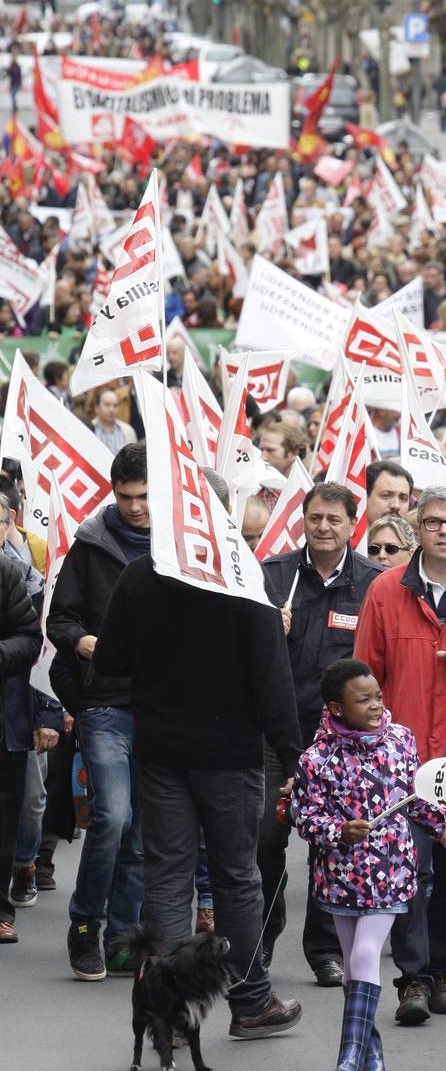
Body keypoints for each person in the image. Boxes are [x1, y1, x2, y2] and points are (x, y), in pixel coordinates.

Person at [92, 468, 303, 1038]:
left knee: (168, 876)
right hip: (230, 756)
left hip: (161, 749)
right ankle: (251, 1001)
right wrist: (294, 755)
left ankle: (165, 1007)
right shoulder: (242, 577)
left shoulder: (142, 576)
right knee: (236, 875)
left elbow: (108, 661)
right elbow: (272, 680)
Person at [355, 485, 446, 1023]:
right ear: (419, 529)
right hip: (403, 764)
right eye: (434, 521)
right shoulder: (387, 590)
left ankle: (444, 972)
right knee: (409, 873)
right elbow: (363, 678)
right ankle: (412, 978)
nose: (444, 530)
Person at [292, 660, 446, 1071]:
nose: (375, 705)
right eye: (363, 699)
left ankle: (349, 1054)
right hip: (338, 876)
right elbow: (304, 817)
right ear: (336, 707)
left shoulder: (401, 741)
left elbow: (416, 799)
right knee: (354, 967)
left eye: (377, 696)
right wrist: (339, 831)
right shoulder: (316, 757)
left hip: (390, 871)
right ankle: (371, 1055)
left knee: (367, 953)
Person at [259, 483, 382, 982]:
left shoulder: (374, 583)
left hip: (340, 744)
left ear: (353, 524)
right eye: (315, 517)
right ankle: (261, 938)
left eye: (334, 518)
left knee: (331, 846)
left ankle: (325, 948)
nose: (324, 526)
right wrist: (269, 628)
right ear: (303, 521)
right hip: (275, 734)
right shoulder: (273, 577)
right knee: (265, 840)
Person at [47, 444, 149, 981]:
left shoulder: (181, 545)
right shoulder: (91, 546)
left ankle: (124, 934)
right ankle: (86, 924)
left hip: (160, 705)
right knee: (112, 816)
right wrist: (86, 642)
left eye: (145, 496)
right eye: (126, 496)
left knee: (139, 831)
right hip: (105, 700)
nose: (135, 507)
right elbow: (58, 621)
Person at [0, 546, 44, 944]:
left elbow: (30, 639)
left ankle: (1, 909)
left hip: (3, 722)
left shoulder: (6, 573)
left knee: (4, 818)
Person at [91, 388, 138, 457]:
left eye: (115, 405)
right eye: (107, 405)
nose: (111, 409)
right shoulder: (89, 428)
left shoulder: (128, 431)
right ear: (97, 408)